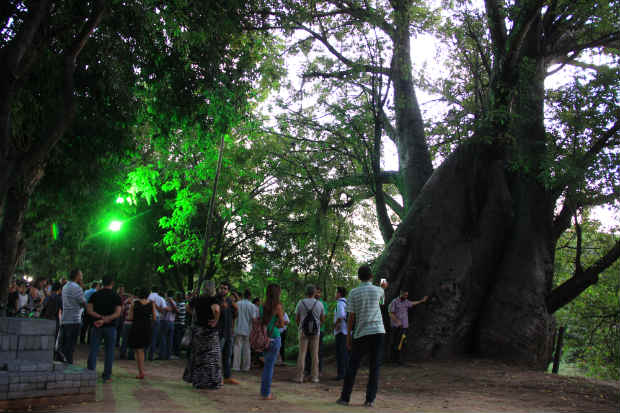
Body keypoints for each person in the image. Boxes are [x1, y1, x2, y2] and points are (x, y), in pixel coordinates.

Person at [337, 265, 388, 407]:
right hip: (378, 331)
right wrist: (383, 288)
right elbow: (381, 303)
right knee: (375, 366)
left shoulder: (353, 293)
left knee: (352, 365)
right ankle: (369, 400)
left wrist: (348, 337)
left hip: (361, 332)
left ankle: (345, 398)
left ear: (359, 278)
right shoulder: (379, 290)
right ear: (371, 276)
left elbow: (351, 317)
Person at [183, 280, 222, 389]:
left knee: (198, 356)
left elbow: (187, 307)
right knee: (212, 358)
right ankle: (211, 382)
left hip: (198, 330)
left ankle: (197, 381)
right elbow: (217, 310)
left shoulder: (197, 299)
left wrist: (194, 314)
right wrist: (216, 320)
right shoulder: (213, 299)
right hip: (210, 332)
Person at [87, 275, 122, 383]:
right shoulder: (116, 296)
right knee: (109, 352)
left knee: (93, 350)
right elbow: (118, 313)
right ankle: (106, 376)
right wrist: (106, 319)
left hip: (96, 325)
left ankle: (89, 374)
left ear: (102, 283)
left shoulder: (95, 295)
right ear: (112, 283)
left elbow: (89, 310)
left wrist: (99, 317)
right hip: (110, 327)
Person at [295, 284, 325, 383]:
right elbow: (322, 319)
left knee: (302, 354)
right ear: (314, 293)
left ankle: (299, 377)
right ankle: (315, 377)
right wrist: (317, 324)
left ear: (306, 292)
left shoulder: (300, 302)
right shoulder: (319, 304)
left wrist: (301, 326)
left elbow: (297, 318)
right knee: (315, 355)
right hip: (316, 332)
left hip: (303, 331)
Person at [259, 284, 285, 400]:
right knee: (269, 367)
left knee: (267, 366)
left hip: (264, 338)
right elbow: (282, 324)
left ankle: (264, 391)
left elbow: (261, 321)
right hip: (274, 337)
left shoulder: (262, 305)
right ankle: (266, 393)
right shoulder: (278, 306)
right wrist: (276, 324)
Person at [388, 290, 428, 364]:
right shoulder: (394, 302)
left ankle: (399, 359)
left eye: (407, 295)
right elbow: (390, 313)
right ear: (401, 294)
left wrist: (421, 301)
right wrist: (397, 321)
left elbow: (412, 303)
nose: (406, 296)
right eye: (405, 295)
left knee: (402, 342)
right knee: (395, 342)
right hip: (396, 327)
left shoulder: (406, 301)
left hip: (404, 326)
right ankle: (393, 359)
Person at [127, 287, 156, 379]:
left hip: (136, 327)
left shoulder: (134, 303)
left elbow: (130, 317)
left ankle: (141, 372)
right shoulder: (151, 304)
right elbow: (154, 318)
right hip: (147, 327)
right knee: (142, 350)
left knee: (138, 350)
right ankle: (141, 370)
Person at [60, 269, 86, 364]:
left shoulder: (65, 286)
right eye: (81, 275)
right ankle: (68, 364)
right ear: (77, 276)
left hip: (65, 318)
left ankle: (62, 362)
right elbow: (83, 303)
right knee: (70, 346)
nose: (82, 277)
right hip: (74, 319)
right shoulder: (77, 288)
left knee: (64, 345)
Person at [216, 281, 239, 384]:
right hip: (218, 332)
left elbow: (234, 316)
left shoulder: (229, 301)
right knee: (217, 355)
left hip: (228, 332)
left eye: (225, 288)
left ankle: (227, 377)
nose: (223, 290)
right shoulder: (215, 299)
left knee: (227, 356)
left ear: (228, 291)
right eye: (221, 288)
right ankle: (216, 377)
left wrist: (235, 308)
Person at [232, 289, 258, 372]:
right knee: (247, 348)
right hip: (248, 330)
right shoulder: (252, 306)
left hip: (238, 328)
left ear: (243, 295)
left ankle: (236, 367)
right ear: (250, 296)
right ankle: (246, 367)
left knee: (237, 348)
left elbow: (234, 316)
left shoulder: (238, 304)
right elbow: (254, 319)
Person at [305, 287, 327, 376]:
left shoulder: (323, 303)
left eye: (319, 292)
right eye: (316, 292)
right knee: (307, 350)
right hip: (307, 330)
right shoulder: (309, 302)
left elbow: (324, 318)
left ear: (320, 293)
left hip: (319, 330)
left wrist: (317, 326)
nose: (317, 294)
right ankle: (308, 369)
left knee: (319, 350)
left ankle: (319, 369)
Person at [147, 287, 168, 361]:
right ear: (158, 291)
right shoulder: (161, 298)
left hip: (147, 318)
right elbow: (164, 310)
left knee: (146, 336)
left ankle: (142, 354)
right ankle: (150, 356)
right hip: (157, 318)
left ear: (151, 290)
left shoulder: (147, 297)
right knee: (154, 337)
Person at [333, 286, 349, 380]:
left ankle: (341, 374)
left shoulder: (340, 303)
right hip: (346, 330)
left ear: (339, 293)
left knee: (340, 353)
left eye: (336, 292)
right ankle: (345, 372)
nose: (335, 294)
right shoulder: (346, 302)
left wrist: (336, 323)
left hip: (340, 331)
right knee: (344, 352)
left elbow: (342, 315)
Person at [162, 290, 177, 360]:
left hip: (166, 321)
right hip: (172, 322)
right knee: (170, 339)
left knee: (164, 338)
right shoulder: (174, 302)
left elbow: (174, 310)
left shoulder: (165, 302)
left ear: (167, 295)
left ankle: (163, 355)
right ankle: (168, 355)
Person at [173, 291, 187, 358]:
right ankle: (177, 352)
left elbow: (177, 312)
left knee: (177, 339)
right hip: (181, 323)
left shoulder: (181, 304)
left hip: (179, 323)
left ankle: (177, 353)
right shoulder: (183, 303)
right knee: (178, 338)